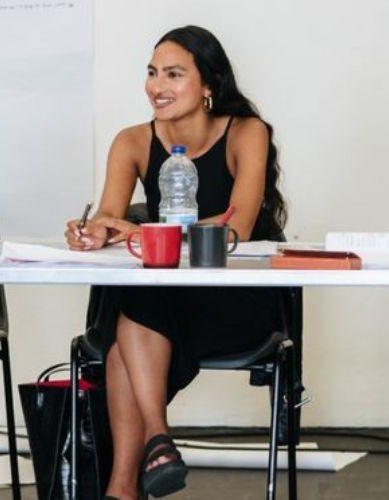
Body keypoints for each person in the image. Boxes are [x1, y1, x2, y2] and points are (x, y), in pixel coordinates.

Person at [63, 25, 289, 500]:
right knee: (139, 302)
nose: (156, 86)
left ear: (209, 84)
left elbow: (239, 228)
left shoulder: (247, 133)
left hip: (232, 299)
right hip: (157, 301)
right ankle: (156, 448)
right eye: (151, 73)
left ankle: (129, 479)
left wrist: (144, 232)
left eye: (173, 74)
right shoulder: (131, 141)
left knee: (131, 320)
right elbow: (110, 219)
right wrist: (94, 233)